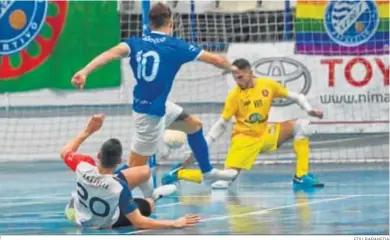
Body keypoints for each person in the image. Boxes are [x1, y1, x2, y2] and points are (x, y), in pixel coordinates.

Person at [70, 2, 238, 198]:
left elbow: (109, 54)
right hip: (148, 117)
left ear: (150, 24)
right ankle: (97, 194)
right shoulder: (176, 46)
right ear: (171, 22)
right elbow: (217, 60)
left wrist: (84, 71)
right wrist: (234, 69)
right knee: (135, 169)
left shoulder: (134, 42)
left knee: (194, 125)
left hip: (158, 107)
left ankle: (207, 171)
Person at [162, 58, 325, 189]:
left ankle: (301, 177)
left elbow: (296, 96)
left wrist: (309, 109)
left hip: (265, 134)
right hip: (244, 140)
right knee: (224, 180)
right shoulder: (234, 96)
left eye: (240, 77)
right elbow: (221, 124)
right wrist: (202, 146)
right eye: (235, 78)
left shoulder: (267, 85)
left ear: (250, 73)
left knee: (302, 125)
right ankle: (178, 174)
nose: (238, 81)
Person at [61, 114, 200, 229]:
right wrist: (175, 223)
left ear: (99, 155)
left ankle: (151, 195)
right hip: (103, 222)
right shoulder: (119, 187)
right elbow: (139, 222)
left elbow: (64, 152)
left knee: (144, 171)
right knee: (147, 206)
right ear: (119, 160)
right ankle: (153, 198)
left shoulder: (83, 165)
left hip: (80, 213)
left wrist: (88, 131)